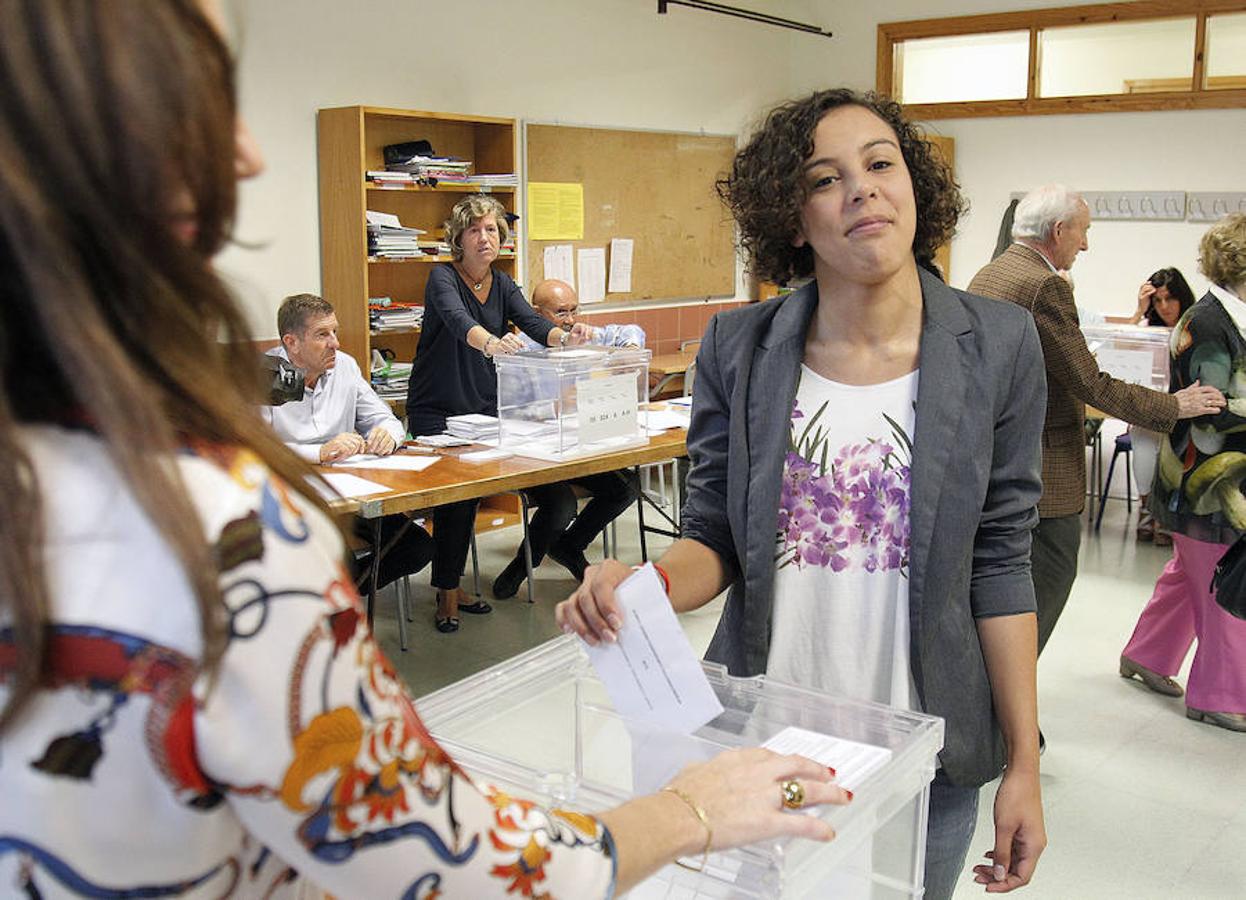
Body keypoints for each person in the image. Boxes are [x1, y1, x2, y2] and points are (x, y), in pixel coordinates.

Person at [0, 2, 852, 896]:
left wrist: (562, 339)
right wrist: (692, 810)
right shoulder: (212, 528)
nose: (246, 153)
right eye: (202, 97)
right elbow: (447, 861)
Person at [560, 87, 1048, 899]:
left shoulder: (998, 345)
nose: (860, 187)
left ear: (916, 186)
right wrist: (639, 584)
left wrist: (1024, 763)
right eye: (825, 179)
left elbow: (1001, 563)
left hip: (929, 753)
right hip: (765, 743)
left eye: (880, 163)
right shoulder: (740, 346)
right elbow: (712, 532)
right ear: (792, 221)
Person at [968, 186, 1224, 658]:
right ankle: (1005, 705)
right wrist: (1175, 407)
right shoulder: (1044, 285)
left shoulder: (992, 272)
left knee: (1002, 585)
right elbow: (1092, 384)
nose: (1085, 244)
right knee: (1049, 574)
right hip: (1042, 464)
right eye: (1083, 232)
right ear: (1059, 230)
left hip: (997, 452)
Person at [404, 195, 584, 630]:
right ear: (458, 239)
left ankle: (455, 583)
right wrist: (491, 342)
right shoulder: (442, 277)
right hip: (438, 410)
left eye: (491, 230)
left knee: (538, 494)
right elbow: (455, 319)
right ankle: (447, 591)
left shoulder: (502, 283)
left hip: (484, 409)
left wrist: (563, 337)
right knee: (458, 499)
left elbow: (532, 321)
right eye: (474, 231)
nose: (485, 238)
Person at [1119, 214, 1246, 733]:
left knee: (1187, 574)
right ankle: (1218, 694)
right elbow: (1211, 407)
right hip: (1207, 484)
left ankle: (1147, 655)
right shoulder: (1209, 322)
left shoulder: (1229, 317)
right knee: (1222, 582)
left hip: (1216, 478)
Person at [262, 293, 433, 589]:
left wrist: (387, 436)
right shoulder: (263, 375)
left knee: (418, 547)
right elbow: (257, 449)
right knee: (336, 560)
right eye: (322, 335)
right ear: (291, 343)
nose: (335, 344)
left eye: (335, 332)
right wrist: (321, 452)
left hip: (348, 493)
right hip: (294, 494)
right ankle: (336, 600)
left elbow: (386, 419)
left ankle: (346, 594)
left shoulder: (345, 365)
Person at [491, 279, 643, 598]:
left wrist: (629, 350)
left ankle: (569, 545)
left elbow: (630, 331)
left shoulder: (577, 337)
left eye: (574, 310)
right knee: (561, 504)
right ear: (536, 313)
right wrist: (557, 405)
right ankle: (522, 565)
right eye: (561, 312)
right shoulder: (520, 351)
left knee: (626, 487)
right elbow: (512, 411)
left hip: (577, 447)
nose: (570, 320)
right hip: (534, 453)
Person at [1122, 268, 1196, 544]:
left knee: (1176, 445)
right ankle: (1147, 509)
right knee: (1142, 437)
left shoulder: (1195, 328)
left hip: (1186, 412)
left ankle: (1166, 513)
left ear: (1182, 298)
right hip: (1151, 409)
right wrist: (1138, 311)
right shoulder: (1146, 330)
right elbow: (1117, 350)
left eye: (1170, 299)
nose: (1164, 307)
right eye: (1158, 301)